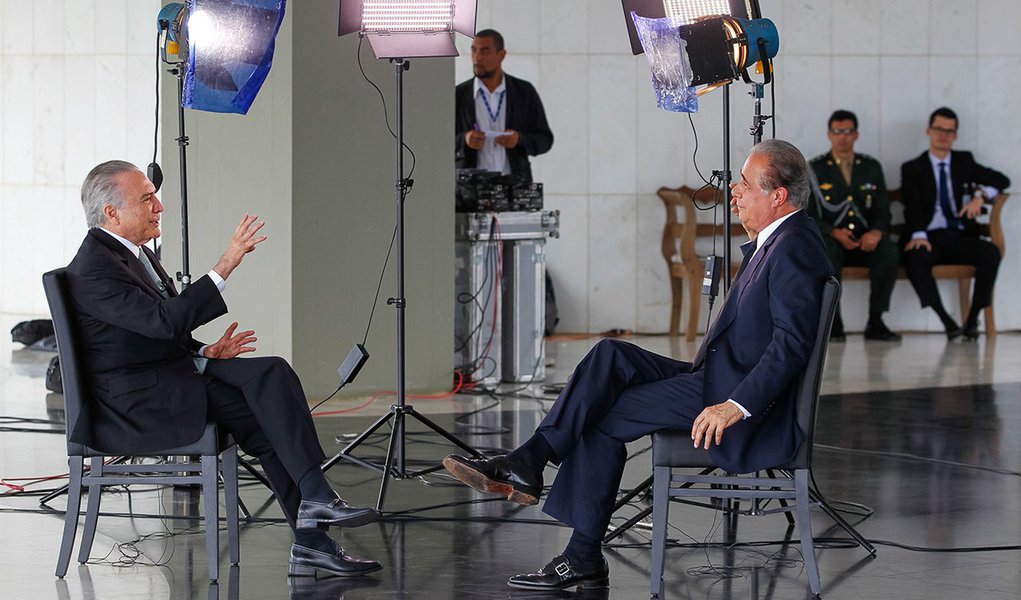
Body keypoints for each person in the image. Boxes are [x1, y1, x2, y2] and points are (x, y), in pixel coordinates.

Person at [443, 140, 834, 591]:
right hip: (715, 377)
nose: (734, 193)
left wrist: (734, 406)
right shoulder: (778, 240)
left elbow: (791, 345)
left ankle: (578, 549)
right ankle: (530, 463)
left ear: (778, 196)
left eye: (745, 185)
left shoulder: (794, 247)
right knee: (611, 355)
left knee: (602, 415)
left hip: (736, 400)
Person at [65, 160, 382, 579]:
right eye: (146, 198)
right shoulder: (95, 269)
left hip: (167, 376)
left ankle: (313, 530)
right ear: (112, 213)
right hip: (139, 402)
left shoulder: (132, 255)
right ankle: (316, 508)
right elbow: (162, 322)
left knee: (270, 392)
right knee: (269, 381)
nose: (158, 205)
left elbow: (148, 327)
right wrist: (226, 263)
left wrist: (203, 349)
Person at [900, 107, 1011, 340]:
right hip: (930, 237)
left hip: (959, 236)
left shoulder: (964, 161)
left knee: (990, 253)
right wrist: (918, 235)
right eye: (939, 130)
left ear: (955, 135)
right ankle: (947, 321)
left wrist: (981, 196)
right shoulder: (913, 168)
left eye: (949, 132)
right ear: (929, 131)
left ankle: (972, 320)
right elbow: (912, 205)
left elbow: (1002, 180)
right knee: (915, 258)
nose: (944, 136)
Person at [809, 109, 900, 342]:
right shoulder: (815, 169)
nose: (843, 137)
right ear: (829, 135)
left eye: (848, 132)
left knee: (889, 251)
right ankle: (834, 322)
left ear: (856, 135)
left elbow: (882, 208)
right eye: (837, 132)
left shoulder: (870, 167)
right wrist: (833, 232)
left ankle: (876, 321)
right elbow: (808, 214)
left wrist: (876, 233)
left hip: (864, 239)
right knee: (826, 254)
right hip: (833, 239)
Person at [455, 29, 553, 183]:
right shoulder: (458, 95)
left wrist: (519, 139)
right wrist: (464, 140)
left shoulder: (523, 92)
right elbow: (438, 142)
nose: (477, 58)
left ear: (501, 55)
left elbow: (545, 140)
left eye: (485, 51)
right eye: (474, 51)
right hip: (470, 190)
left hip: (515, 188)